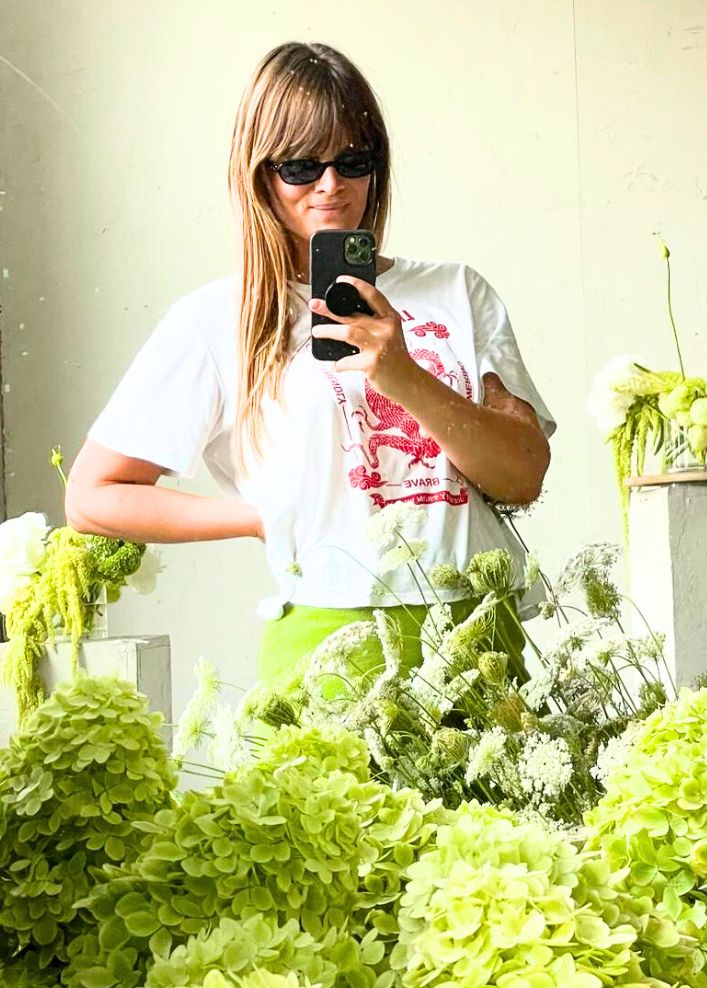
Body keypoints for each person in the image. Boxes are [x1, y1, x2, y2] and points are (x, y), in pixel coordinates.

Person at [65, 42, 555, 686]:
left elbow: (523, 475)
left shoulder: (457, 292)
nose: (332, 185)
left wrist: (402, 374)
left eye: (354, 160)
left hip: (480, 639)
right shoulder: (219, 319)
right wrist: (262, 518)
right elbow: (93, 495)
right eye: (301, 166)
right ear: (260, 172)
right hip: (327, 643)